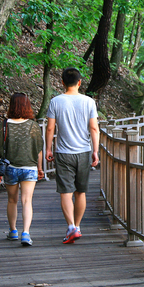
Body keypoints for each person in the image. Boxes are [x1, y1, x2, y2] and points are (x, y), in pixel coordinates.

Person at [45, 67, 99, 244]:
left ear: (62, 82)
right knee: (80, 192)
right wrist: (95, 151)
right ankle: (77, 226)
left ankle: (71, 227)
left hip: (63, 152)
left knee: (65, 192)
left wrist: (48, 149)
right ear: (80, 82)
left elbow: (50, 128)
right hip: (83, 152)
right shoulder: (89, 102)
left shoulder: (56, 102)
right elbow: (94, 128)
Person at [0, 93, 44, 246]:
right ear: (27, 105)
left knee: (12, 200)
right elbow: (38, 150)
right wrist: (40, 168)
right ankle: (26, 233)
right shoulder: (33, 126)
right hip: (29, 168)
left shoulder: (4, 125)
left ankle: (13, 230)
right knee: (27, 201)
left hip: (10, 168)